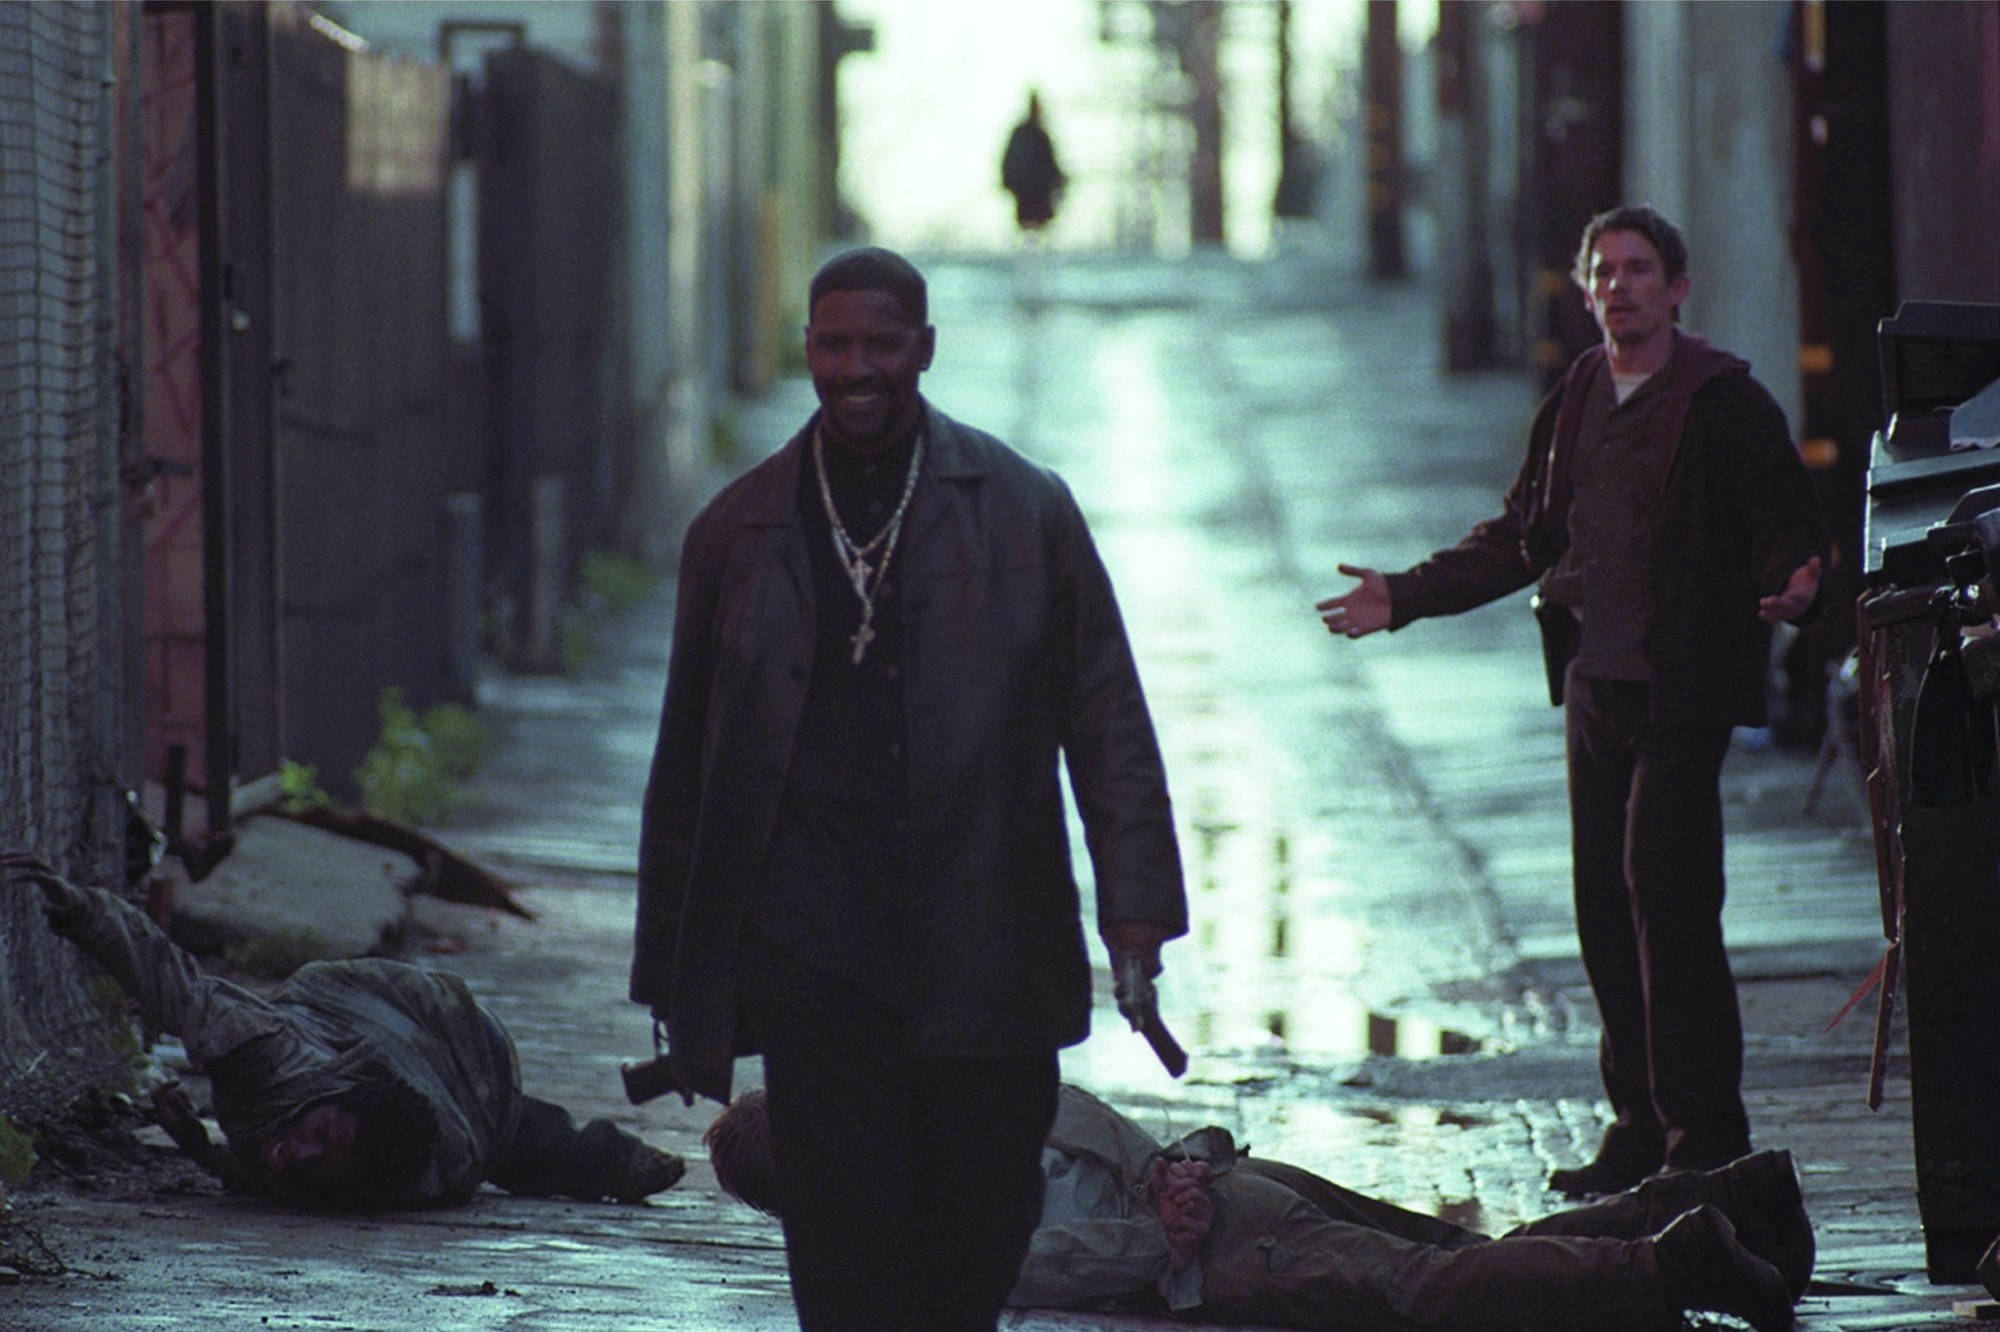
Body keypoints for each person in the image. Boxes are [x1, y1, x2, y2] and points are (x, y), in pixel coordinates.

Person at [629, 245, 1187, 1332]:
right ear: (807, 350)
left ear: (923, 349)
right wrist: (671, 974)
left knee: (981, 1221)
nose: (857, 369)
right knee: (843, 1236)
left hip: (989, 930)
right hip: (812, 951)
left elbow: (1107, 719)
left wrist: (1135, 913)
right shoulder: (735, 531)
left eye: (881, 345)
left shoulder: (1024, 510)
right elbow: (685, 767)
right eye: (834, 345)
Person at [1316, 205, 1829, 1197]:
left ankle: (1704, 1136)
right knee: (1602, 906)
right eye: (1604, 271)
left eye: (1638, 269)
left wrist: (1796, 578)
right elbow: (1521, 536)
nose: (1619, 285)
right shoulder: (1578, 397)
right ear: (1587, 290)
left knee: (1666, 895)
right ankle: (1636, 1127)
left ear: (1676, 290)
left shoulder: (1721, 400)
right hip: (1595, 685)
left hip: (1682, 687)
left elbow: (1781, 516)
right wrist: (1405, 597)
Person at [705, 1082, 1812, 1332]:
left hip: (1223, 1244)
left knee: (1434, 1290)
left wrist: (1161, 1218)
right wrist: (1165, 1168)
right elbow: (1052, 1099)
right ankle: (1711, 1197)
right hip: (1231, 1181)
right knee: (1459, 1257)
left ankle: (1673, 1264)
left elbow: (1057, 1264)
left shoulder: (905, 1233)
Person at [3, 853, 685, 1211]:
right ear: (333, 1095)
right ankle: (611, 1159)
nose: (297, 1152)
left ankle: (612, 1160)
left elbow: (274, 1184)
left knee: (518, 1142)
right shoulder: (266, 1053)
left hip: (451, 1084)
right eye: (320, 1135)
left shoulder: (376, 1179)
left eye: (320, 1161)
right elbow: (169, 979)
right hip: (436, 1028)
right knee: (523, 1138)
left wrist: (203, 1150)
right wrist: (84, 912)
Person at [1000, 90, 1066, 233]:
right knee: (1031, 226)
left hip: (1036, 192)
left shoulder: (1034, 134)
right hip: (1029, 192)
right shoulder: (1030, 134)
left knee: (1034, 227)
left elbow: (1050, 163)